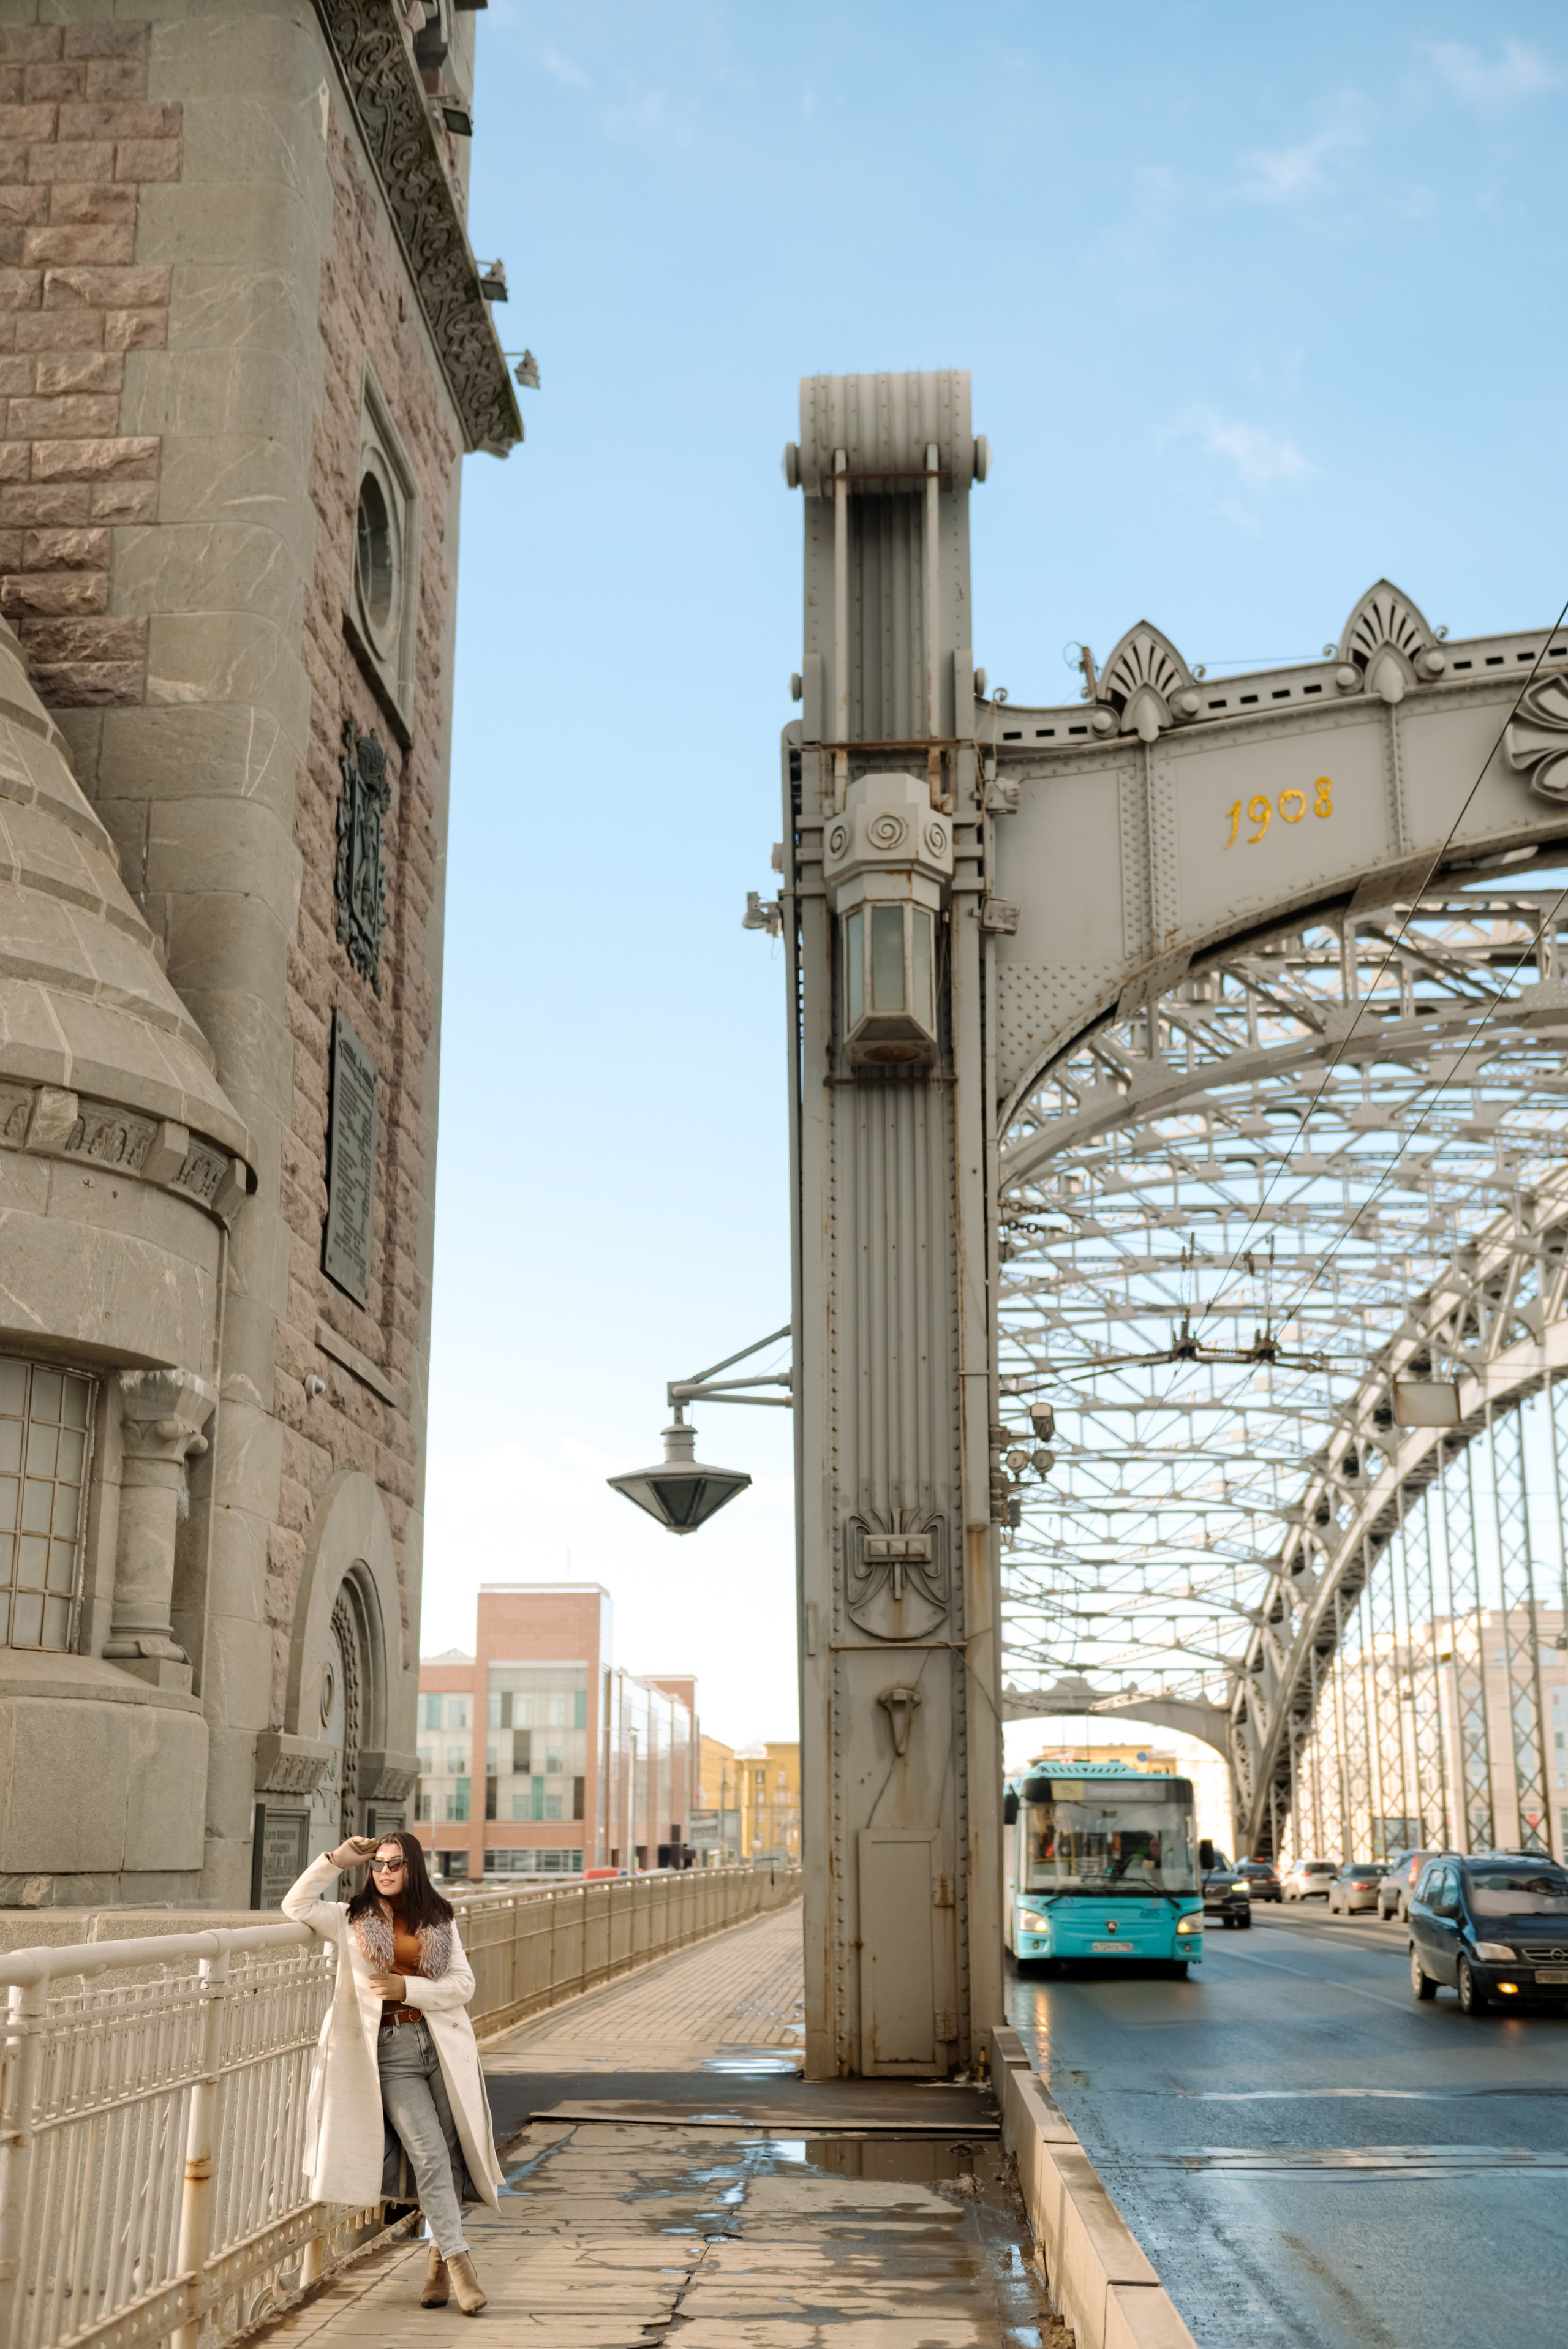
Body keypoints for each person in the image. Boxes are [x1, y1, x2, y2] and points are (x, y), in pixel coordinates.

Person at [283, 1830, 503, 2315]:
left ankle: (437, 2264)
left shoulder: (439, 1918)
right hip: (390, 2053)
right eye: (378, 1863)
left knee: (452, 2155)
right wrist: (336, 1860)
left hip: (441, 2044)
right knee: (428, 2153)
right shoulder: (350, 1917)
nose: (384, 1870)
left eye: (395, 1862)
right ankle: (461, 2263)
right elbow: (295, 1904)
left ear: (413, 1866)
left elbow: (463, 1984)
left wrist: (408, 1989)